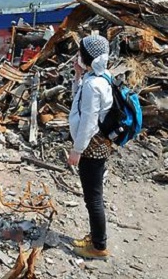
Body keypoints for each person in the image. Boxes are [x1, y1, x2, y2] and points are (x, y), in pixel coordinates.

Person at [67, 34, 113, 260]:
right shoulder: (98, 77)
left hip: (92, 147)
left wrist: (77, 150)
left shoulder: (94, 85)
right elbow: (78, 101)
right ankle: (96, 236)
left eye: (80, 52)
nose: (77, 56)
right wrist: (77, 74)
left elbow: (88, 121)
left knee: (93, 198)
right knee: (93, 195)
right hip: (97, 144)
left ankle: (99, 246)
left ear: (87, 56)